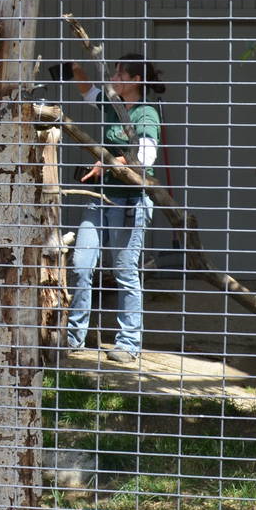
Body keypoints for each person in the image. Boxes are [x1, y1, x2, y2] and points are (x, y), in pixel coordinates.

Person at [65, 53, 166, 367]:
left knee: (124, 271)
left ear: (136, 80)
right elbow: (89, 92)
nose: (114, 76)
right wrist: (76, 68)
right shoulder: (114, 105)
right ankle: (72, 337)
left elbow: (145, 157)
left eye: (120, 73)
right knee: (82, 265)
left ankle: (128, 343)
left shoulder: (145, 113)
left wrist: (105, 163)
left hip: (129, 202)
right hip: (100, 198)